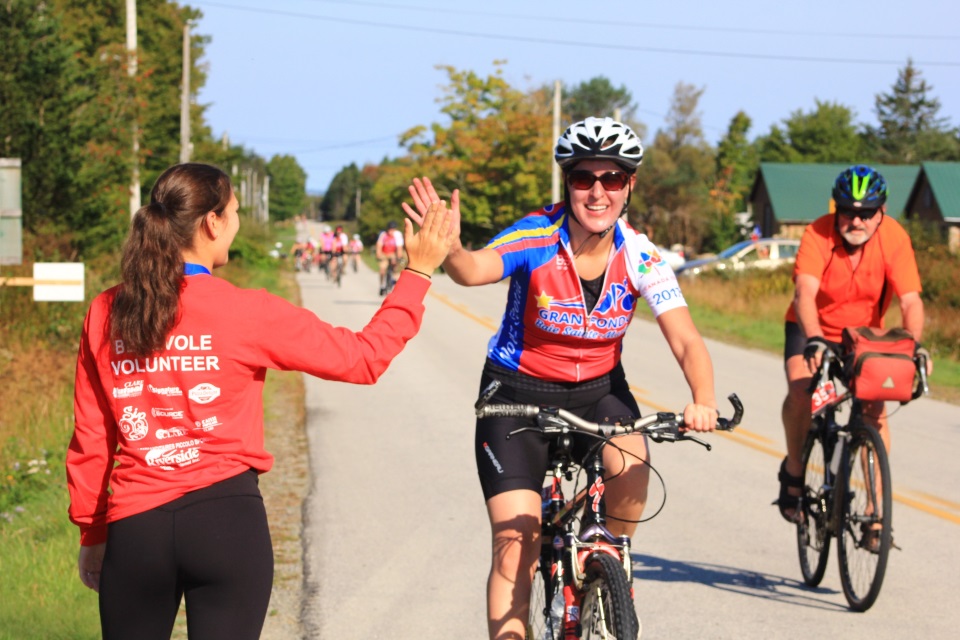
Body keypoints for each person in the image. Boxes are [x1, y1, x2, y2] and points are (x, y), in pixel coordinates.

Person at [66, 162, 452, 640]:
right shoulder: (249, 311)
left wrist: (92, 531)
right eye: (234, 211)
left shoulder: (106, 310)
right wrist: (417, 272)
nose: (237, 222)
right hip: (226, 524)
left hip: (135, 529)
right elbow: (363, 358)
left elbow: (93, 435)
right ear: (212, 223)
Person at [402, 117, 719, 640]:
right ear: (566, 183)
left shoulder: (639, 254)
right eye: (583, 178)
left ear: (629, 186)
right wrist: (452, 251)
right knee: (517, 544)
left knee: (634, 460)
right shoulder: (537, 236)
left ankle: (609, 570)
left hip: (599, 391)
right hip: (516, 396)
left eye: (611, 179)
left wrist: (702, 398)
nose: (597, 192)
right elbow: (475, 268)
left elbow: (685, 338)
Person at [775, 164, 930, 523]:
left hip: (864, 336)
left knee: (874, 411)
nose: (856, 221)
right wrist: (814, 339)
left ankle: (876, 510)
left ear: (882, 212)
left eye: (866, 213)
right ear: (836, 209)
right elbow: (805, 292)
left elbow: (911, 301)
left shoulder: (894, 237)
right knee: (801, 388)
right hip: (810, 326)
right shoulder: (818, 233)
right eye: (848, 211)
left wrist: (914, 346)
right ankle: (795, 469)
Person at [376, 220, 405, 295]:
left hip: (393, 253)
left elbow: (399, 248)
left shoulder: (398, 235)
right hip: (384, 253)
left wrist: (398, 257)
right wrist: (378, 255)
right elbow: (379, 245)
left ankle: (394, 286)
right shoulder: (383, 234)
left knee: (395, 269)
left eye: (392, 230)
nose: (390, 231)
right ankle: (382, 285)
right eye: (389, 229)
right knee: (382, 269)